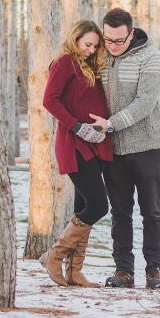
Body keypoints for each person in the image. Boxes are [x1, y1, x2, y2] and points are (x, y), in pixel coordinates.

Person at [88, 7, 160, 290]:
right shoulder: (101, 56)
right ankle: (124, 270)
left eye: (118, 41)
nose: (112, 46)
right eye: (107, 40)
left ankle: (155, 270)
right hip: (113, 151)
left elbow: (145, 103)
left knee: (152, 212)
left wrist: (110, 124)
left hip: (146, 146)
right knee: (120, 212)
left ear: (131, 34)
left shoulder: (151, 58)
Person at [39, 19, 113, 288]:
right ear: (76, 39)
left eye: (95, 46)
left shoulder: (92, 65)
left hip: (95, 143)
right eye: (87, 44)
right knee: (98, 205)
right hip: (75, 143)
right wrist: (78, 127)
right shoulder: (64, 63)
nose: (91, 50)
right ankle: (54, 255)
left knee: (83, 208)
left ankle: (75, 271)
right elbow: (50, 100)